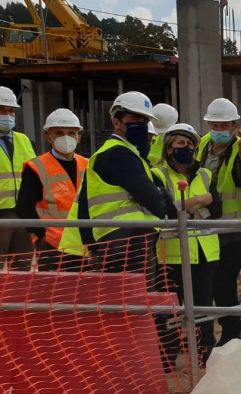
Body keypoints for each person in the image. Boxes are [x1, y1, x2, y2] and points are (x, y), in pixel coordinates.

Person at [60, 91, 170, 273]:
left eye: (145, 120)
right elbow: (154, 201)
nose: (142, 125)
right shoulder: (118, 154)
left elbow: (84, 207)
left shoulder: (113, 152)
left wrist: (93, 249)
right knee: (135, 299)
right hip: (130, 244)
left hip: (115, 243)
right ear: (116, 122)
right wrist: (162, 195)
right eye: (135, 118)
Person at [196, 98, 241, 346]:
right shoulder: (202, 144)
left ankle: (232, 334)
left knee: (224, 286)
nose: (219, 129)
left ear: (235, 126)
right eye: (214, 124)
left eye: (224, 125)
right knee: (204, 286)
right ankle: (204, 338)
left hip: (233, 230)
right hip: (204, 227)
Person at [154, 122, 219, 364]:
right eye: (181, 143)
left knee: (204, 310)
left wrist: (186, 210)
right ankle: (167, 361)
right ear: (169, 148)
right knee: (168, 311)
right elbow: (163, 210)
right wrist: (197, 202)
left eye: (190, 144)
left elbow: (218, 208)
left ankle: (205, 357)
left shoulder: (205, 174)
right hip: (170, 255)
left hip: (204, 253)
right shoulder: (158, 174)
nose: (187, 148)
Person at [17, 108, 88, 271]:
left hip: (84, 243)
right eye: (60, 133)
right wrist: (40, 236)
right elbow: (24, 208)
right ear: (49, 137)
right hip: (53, 246)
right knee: (54, 295)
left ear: (79, 137)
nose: (66, 137)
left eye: (71, 133)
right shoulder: (36, 167)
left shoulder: (88, 164)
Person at [0, 85, 36, 267]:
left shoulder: (26, 142)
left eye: (10, 111)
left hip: (23, 215)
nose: (7, 115)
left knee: (22, 270)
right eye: (2, 110)